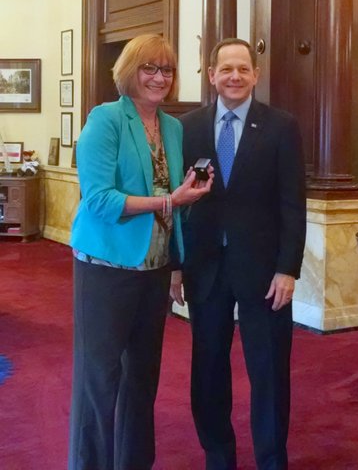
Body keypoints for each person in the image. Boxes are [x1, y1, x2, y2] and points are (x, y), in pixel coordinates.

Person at [68, 33, 213, 470]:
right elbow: (98, 200)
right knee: (100, 379)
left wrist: (174, 266)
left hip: (153, 270)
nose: (159, 77)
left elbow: (174, 202)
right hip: (106, 268)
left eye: (166, 69)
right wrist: (170, 200)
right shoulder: (105, 119)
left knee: (142, 380)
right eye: (149, 68)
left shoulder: (172, 126)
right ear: (130, 72)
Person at [170, 38, 307, 470]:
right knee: (208, 369)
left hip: (265, 273)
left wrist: (288, 268)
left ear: (255, 75)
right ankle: (218, 457)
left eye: (243, 69)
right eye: (226, 68)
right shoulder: (186, 127)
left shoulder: (282, 126)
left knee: (268, 372)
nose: (234, 76)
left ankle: (271, 459)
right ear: (211, 75)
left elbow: (292, 203)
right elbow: (176, 202)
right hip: (204, 267)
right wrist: (175, 265)